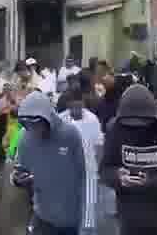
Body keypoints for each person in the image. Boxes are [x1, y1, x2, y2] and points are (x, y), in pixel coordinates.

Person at [100, 84, 157, 235]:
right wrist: (118, 177)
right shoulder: (114, 128)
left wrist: (150, 181)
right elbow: (104, 170)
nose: (137, 128)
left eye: (142, 122)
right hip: (128, 216)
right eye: (131, 124)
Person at [11, 92, 93, 235]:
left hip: (71, 219)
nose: (34, 130)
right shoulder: (25, 137)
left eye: (37, 124)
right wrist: (17, 180)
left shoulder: (71, 134)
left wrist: (87, 224)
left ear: (48, 118)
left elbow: (87, 178)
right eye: (28, 125)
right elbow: (20, 169)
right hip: (42, 216)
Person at [58, 87, 102, 231]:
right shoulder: (60, 120)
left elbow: (98, 145)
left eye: (79, 106)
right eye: (73, 107)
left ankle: (87, 231)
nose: (76, 110)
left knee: (89, 207)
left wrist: (99, 169)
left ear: (83, 103)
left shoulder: (92, 119)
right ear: (68, 104)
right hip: (66, 170)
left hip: (88, 169)